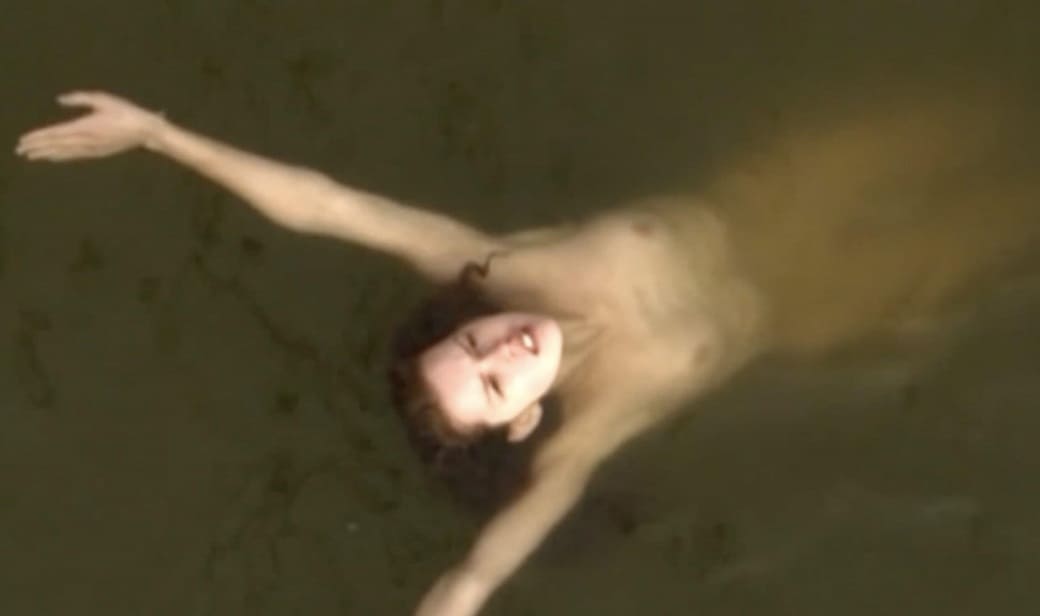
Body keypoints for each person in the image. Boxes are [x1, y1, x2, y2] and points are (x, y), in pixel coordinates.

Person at [15, 87, 1037, 615]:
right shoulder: (584, 433)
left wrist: (161, 136)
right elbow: (475, 576)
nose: (504, 345)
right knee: (1006, 218)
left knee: (963, 117)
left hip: (781, 189)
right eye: (498, 378)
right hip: (821, 300)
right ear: (523, 418)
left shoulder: (494, 266)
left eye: (473, 343)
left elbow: (327, 205)